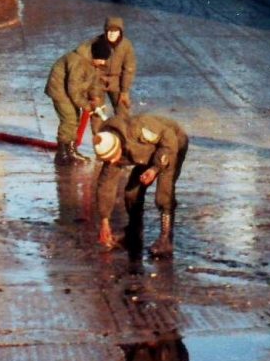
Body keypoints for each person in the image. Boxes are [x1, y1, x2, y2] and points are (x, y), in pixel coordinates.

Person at [94, 113, 188, 258]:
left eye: (113, 157)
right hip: (147, 154)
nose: (111, 162)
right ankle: (133, 233)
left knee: (164, 194)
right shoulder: (110, 146)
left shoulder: (138, 129)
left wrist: (155, 169)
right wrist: (104, 220)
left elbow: (168, 138)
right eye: (108, 159)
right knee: (131, 193)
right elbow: (105, 185)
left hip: (171, 145)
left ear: (118, 145)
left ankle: (166, 239)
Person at [44, 37, 110, 164]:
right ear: (95, 56)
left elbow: (94, 82)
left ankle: (71, 150)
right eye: (101, 60)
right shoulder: (78, 62)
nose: (102, 63)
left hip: (69, 89)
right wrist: (87, 106)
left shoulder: (92, 62)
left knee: (75, 118)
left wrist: (95, 98)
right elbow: (73, 90)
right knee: (69, 119)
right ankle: (62, 154)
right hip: (60, 90)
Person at [76, 16, 136, 133]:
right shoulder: (96, 42)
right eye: (110, 31)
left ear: (120, 32)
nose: (112, 34)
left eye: (115, 31)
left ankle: (123, 139)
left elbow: (129, 69)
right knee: (97, 111)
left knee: (122, 111)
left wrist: (124, 91)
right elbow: (87, 64)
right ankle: (99, 140)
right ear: (105, 31)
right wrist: (91, 89)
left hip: (116, 81)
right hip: (97, 80)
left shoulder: (126, 46)